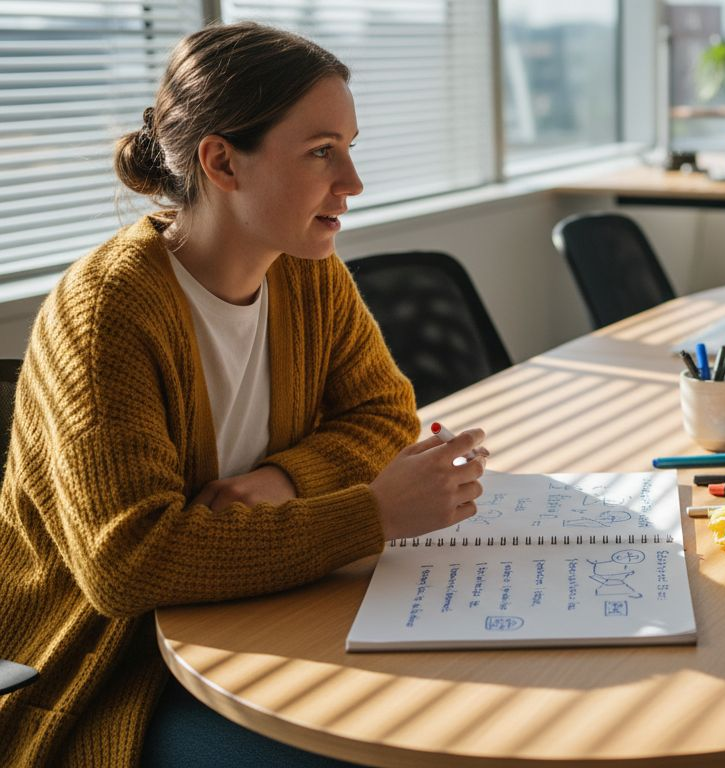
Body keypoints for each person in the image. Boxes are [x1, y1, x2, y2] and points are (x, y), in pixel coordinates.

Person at [0, 22, 487, 766]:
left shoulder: (305, 268)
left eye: (351, 147)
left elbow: (384, 415)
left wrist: (285, 480)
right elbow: (127, 566)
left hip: (261, 617)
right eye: (323, 151)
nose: (352, 181)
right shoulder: (106, 311)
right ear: (222, 161)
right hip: (108, 673)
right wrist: (372, 513)